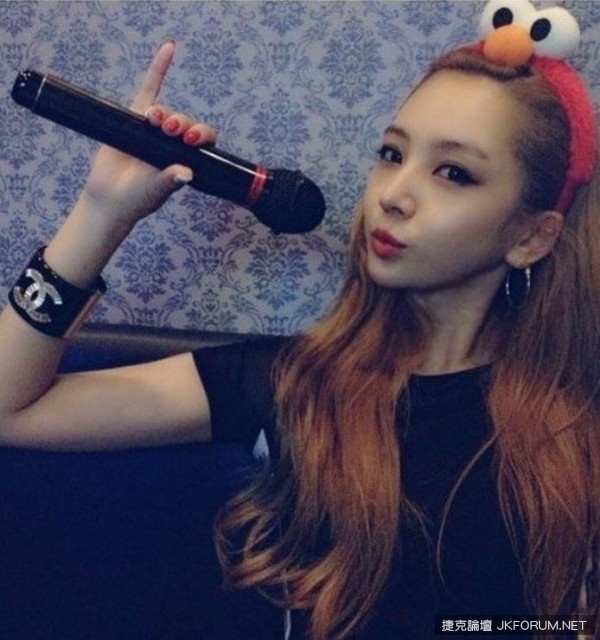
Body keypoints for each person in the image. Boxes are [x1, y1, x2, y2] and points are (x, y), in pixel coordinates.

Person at [1, 1, 599, 638]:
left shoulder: (576, 419)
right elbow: (11, 409)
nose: (393, 195)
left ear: (532, 237)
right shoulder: (294, 381)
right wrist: (101, 213)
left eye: (453, 172)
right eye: (391, 153)